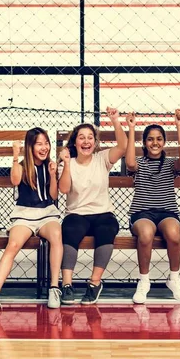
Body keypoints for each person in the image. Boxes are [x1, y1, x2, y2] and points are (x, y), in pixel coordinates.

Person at [0, 127, 63, 311]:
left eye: (46, 143)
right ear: (30, 146)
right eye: (39, 144)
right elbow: (15, 180)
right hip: (24, 214)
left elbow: (53, 195)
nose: (44, 148)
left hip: (46, 213)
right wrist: (14, 155)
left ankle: (54, 288)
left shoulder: (49, 166)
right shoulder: (21, 165)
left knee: (57, 235)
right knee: (12, 245)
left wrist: (53, 175)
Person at [57, 107, 127, 305]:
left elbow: (122, 147)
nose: (86, 141)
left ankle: (94, 283)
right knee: (70, 229)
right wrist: (67, 164)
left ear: (95, 143)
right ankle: (67, 285)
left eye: (90, 138)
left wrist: (115, 120)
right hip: (77, 213)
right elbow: (63, 189)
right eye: (81, 137)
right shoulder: (67, 163)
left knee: (108, 229)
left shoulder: (102, 158)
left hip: (102, 213)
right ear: (75, 142)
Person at [125, 109, 180, 304]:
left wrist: (179, 127)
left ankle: (174, 278)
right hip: (142, 213)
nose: (155, 143)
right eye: (150, 139)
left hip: (167, 212)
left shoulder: (170, 164)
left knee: (174, 234)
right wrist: (132, 128)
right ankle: (144, 280)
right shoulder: (139, 163)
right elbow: (129, 162)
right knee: (145, 234)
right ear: (144, 143)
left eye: (159, 139)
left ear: (164, 142)